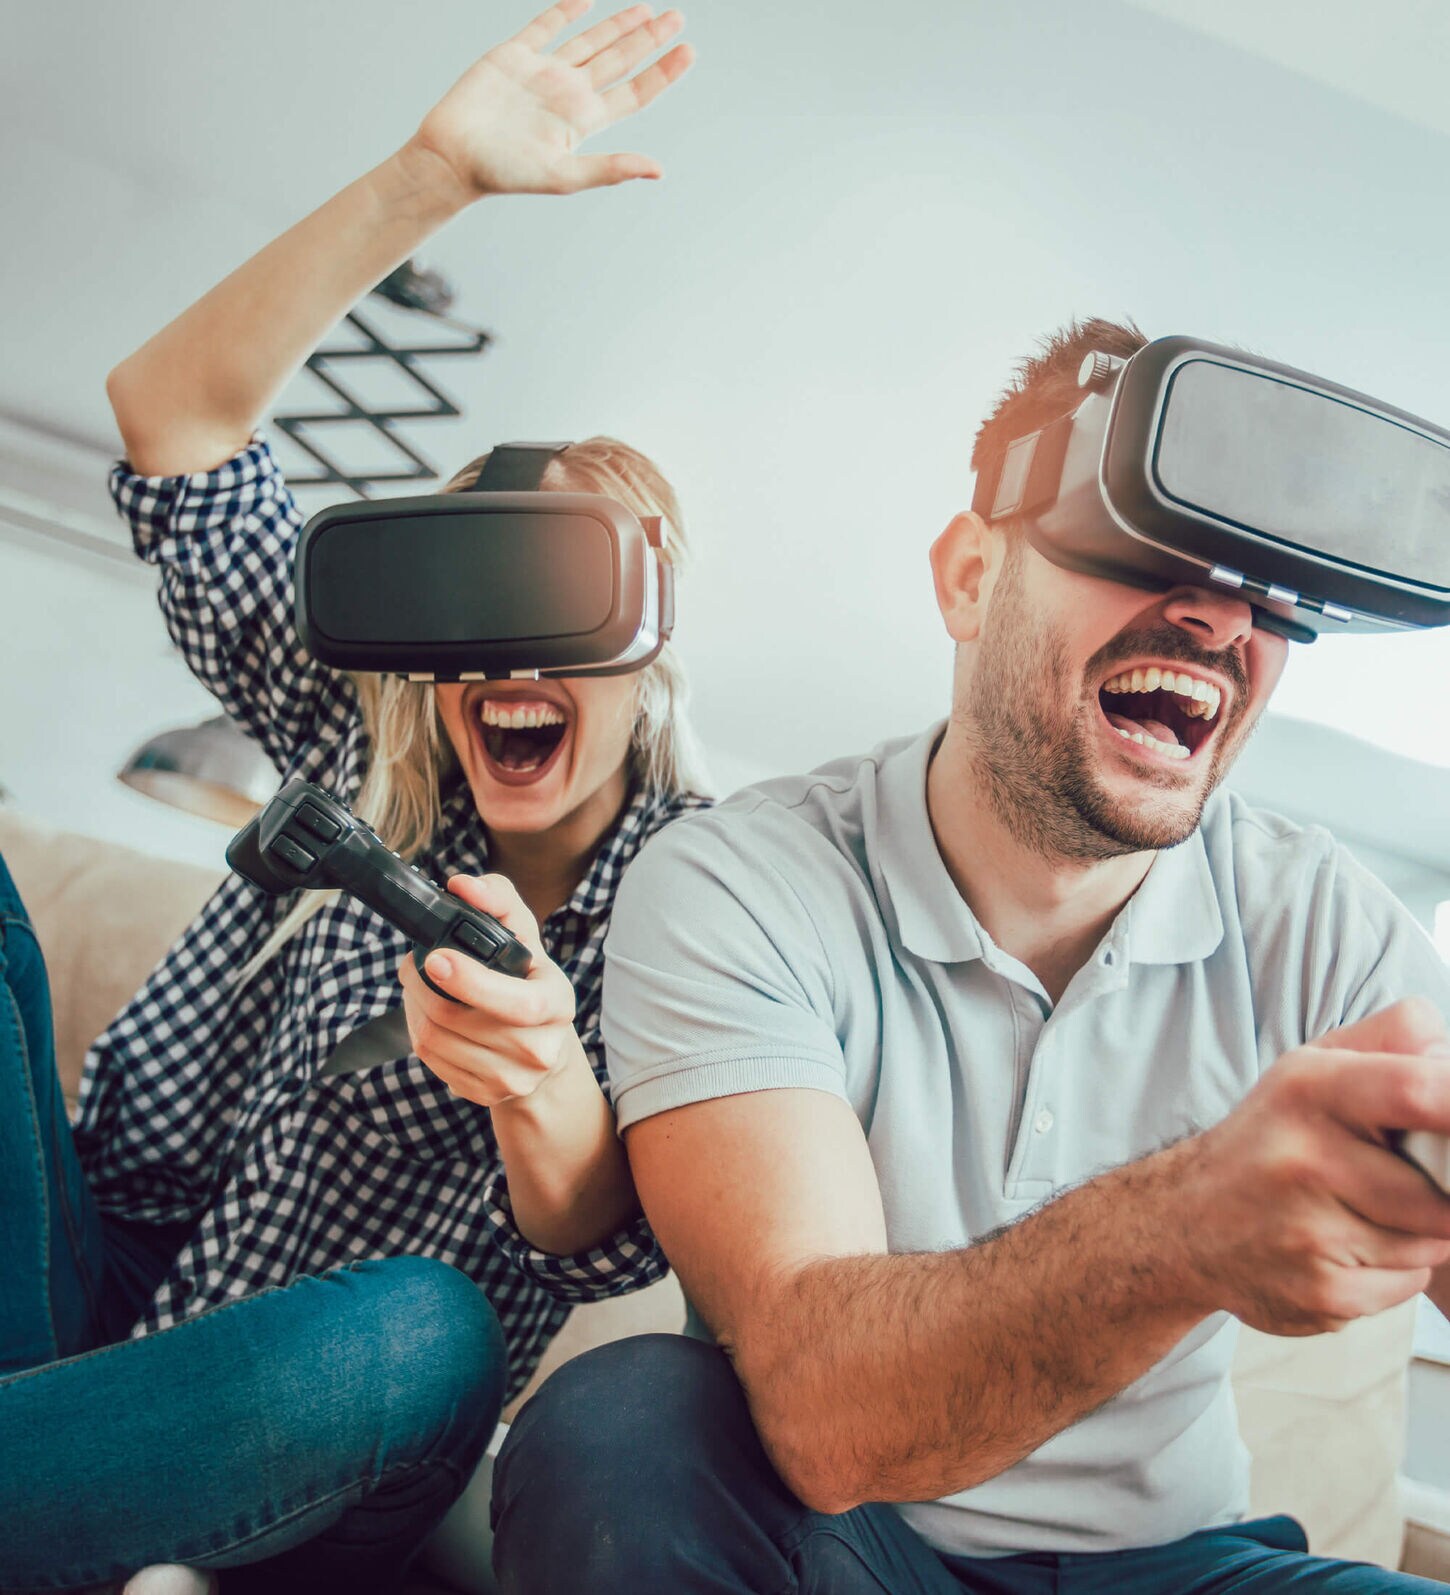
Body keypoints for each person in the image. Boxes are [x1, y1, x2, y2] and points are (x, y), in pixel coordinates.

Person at [491, 318, 1450, 1594]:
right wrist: (1182, 1228)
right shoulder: (741, 881)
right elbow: (823, 1417)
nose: (1218, 615)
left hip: (1184, 1569)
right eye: (1148, 539)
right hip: (841, 1548)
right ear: (968, 577)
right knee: (624, 1422)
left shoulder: (1323, 919)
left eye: (1261, 587)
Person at [0, 4, 702, 1589]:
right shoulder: (359, 732)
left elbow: (599, 1229)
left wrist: (535, 1075)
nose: (512, 655)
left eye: (566, 604)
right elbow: (174, 421)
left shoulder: (699, 890)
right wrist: (431, 173)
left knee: (424, 1321)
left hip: (333, 1424)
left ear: (647, 650)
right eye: (479, 607)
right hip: (83, 1299)